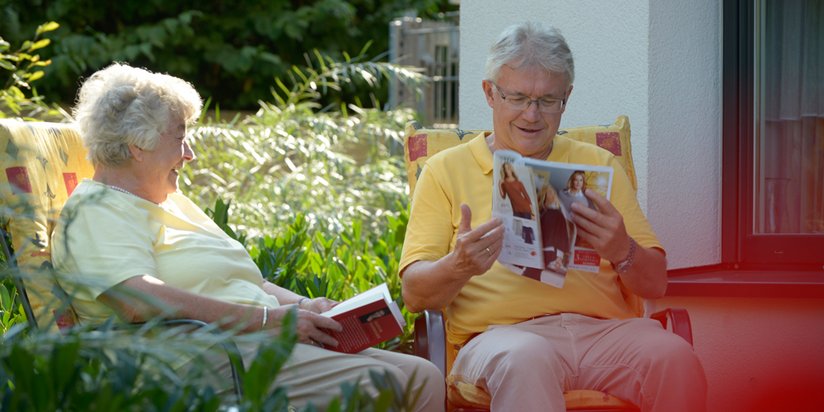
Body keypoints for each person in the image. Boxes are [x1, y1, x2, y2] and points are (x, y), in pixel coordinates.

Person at [51, 63, 444, 411]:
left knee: (423, 376)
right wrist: (269, 320)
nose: (189, 153)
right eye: (179, 136)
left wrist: (309, 307)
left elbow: (249, 281)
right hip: (196, 359)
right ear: (139, 145)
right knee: (391, 386)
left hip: (249, 342)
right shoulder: (96, 211)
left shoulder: (170, 202)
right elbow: (139, 300)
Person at [399, 22, 706, 411]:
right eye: (518, 97)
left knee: (674, 358)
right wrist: (458, 265)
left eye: (548, 100)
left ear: (567, 98)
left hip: (604, 333)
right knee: (526, 357)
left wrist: (621, 248)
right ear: (490, 93)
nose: (532, 114)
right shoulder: (445, 170)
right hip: (501, 337)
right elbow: (414, 294)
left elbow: (656, 283)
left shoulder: (597, 165)